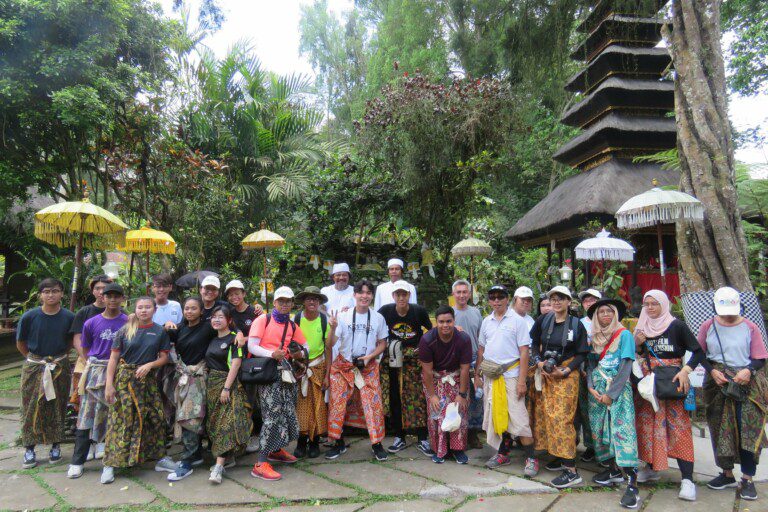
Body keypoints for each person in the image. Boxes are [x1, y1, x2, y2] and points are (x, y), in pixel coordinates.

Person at [633, 289, 704, 501]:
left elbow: (698, 351)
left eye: (654, 304)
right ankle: (651, 467)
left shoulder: (677, 326)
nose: (650, 308)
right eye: (647, 304)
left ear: (664, 304)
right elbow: (637, 353)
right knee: (648, 426)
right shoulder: (641, 327)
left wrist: (686, 370)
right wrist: (638, 342)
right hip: (649, 385)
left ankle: (687, 479)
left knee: (678, 427)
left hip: (673, 382)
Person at [699, 287, 768, 501]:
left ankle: (747, 478)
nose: (727, 314)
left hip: (746, 383)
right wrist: (712, 371)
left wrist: (749, 370)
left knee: (747, 429)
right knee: (719, 427)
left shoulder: (750, 327)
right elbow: (699, 354)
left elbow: (760, 357)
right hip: (717, 383)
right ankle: (726, 473)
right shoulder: (708, 326)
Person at [101, 297, 171, 484]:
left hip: (147, 382)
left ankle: (159, 457)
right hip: (125, 381)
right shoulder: (125, 330)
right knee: (122, 419)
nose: (143, 310)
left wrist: (150, 364)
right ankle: (111, 464)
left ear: (154, 310)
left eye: (148, 307)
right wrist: (109, 384)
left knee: (154, 417)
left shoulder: (159, 331)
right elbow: (114, 359)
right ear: (135, 310)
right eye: (140, 307)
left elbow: (164, 358)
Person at [529, 286, 589, 488]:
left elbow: (582, 353)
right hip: (546, 372)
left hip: (566, 375)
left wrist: (566, 370)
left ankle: (571, 471)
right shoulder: (543, 320)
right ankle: (558, 457)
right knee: (547, 416)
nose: (556, 302)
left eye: (561, 299)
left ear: (569, 302)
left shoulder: (576, 324)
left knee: (562, 419)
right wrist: (538, 362)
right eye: (553, 298)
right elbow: (533, 342)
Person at [67, 283, 128, 478]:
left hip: (118, 374)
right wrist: (94, 365)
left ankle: (109, 462)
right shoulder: (91, 322)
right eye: (108, 295)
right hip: (94, 373)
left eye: (116, 296)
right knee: (86, 416)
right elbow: (85, 350)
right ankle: (78, 461)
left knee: (114, 417)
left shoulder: (128, 322)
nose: (112, 299)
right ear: (102, 297)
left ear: (122, 299)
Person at [475, 285, 537, 477]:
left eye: (500, 297)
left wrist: (521, 381)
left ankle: (531, 458)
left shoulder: (518, 321)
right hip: (491, 376)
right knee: (496, 416)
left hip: (511, 376)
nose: (496, 301)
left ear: (507, 299)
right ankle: (503, 453)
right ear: (488, 301)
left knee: (519, 418)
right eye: (492, 297)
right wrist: (477, 374)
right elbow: (481, 350)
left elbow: (524, 352)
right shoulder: (487, 321)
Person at [247, 286, 307, 481]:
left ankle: (276, 449)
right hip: (268, 373)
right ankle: (260, 462)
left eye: (288, 301)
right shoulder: (262, 320)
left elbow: (304, 347)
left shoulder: (292, 325)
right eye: (281, 301)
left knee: (287, 411)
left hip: (285, 373)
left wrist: (298, 353)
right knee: (272, 415)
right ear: (274, 303)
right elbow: (252, 346)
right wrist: (271, 354)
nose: (285, 304)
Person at [326, 280, 389, 461]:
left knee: (373, 404)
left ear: (372, 296)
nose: (364, 296)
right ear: (354, 295)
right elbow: (330, 344)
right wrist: (332, 328)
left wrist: (370, 357)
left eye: (368, 293)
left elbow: (383, 343)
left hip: (367, 367)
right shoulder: (343, 317)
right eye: (361, 292)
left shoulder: (378, 318)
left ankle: (377, 444)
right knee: (337, 403)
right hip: (343, 366)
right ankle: (338, 442)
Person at [585, 298, 639, 509]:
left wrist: (611, 394)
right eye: (601, 312)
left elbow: (626, 365)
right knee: (599, 432)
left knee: (622, 433)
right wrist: (590, 386)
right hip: (596, 392)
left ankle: (632, 485)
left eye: (609, 311)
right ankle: (612, 469)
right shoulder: (594, 338)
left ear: (615, 314)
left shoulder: (624, 335)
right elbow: (590, 364)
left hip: (617, 392)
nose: (605, 315)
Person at [16, 278, 75, 469]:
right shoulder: (30, 316)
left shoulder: (68, 317)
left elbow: (70, 342)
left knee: (58, 404)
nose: (51, 295)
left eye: (55, 291)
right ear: (40, 294)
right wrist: (35, 360)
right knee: (30, 406)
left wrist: (58, 358)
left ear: (62, 294)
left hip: (59, 364)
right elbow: (21, 343)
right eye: (47, 291)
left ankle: (56, 446)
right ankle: (29, 448)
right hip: (34, 365)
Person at [164, 296, 218, 481]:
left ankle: (189, 459)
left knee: (194, 416)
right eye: (186, 308)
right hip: (184, 377)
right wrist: (166, 326)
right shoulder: (179, 329)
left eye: (194, 308)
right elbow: (165, 341)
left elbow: (229, 331)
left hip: (203, 376)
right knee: (187, 416)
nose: (189, 311)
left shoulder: (209, 327)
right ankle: (192, 455)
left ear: (201, 311)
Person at [378, 281, 433, 454]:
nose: (401, 298)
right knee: (395, 397)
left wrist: (422, 348)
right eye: (398, 294)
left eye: (404, 294)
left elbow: (431, 331)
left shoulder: (418, 311)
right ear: (393, 296)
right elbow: (375, 328)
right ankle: (399, 436)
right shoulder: (386, 311)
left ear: (409, 295)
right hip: (393, 359)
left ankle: (422, 437)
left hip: (414, 361)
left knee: (418, 398)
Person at [419, 306, 472, 463]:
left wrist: (462, 395)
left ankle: (457, 449)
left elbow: (465, 368)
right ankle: (439, 449)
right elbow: (427, 371)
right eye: (441, 322)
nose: (445, 325)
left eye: (449, 321)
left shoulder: (463, 339)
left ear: (454, 321)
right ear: (436, 322)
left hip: (457, 377)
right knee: (438, 414)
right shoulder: (427, 339)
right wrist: (432, 395)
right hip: (435, 380)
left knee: (458, 412)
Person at [206, 306, 251, 484]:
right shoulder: (211, 339)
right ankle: (228, 458)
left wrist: (226, 388)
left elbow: (236, 364)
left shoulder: (235, 340)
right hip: (211, 387)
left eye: (220, 317)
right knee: (215, 426)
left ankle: (218, 468)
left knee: (225, 425)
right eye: (214, 317)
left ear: (229, 320)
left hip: (227, 386)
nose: (216, 320)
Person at [224, 279, 263, 454]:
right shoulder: (228, 313)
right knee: (237, 399)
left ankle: (255, 434)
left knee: (252, 399)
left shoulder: (254, 312)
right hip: (232, 362)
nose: (234, 297)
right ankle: (240, 434)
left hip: (251, 362)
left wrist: (244, 338)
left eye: (237, 293)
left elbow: (262, 334)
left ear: (244, 293)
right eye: (231, 294)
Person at [292, 286, 331, 459]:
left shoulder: (324, 320)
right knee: (301, 406)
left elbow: (328, 348)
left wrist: (328, 374)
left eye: (315, 299)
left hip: (318, 366)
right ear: (304, 302)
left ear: (320, 302)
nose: (312, 302)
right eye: (309, 299)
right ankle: (301, 441)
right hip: (300, 367)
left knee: (317, 405)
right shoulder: (297, 319)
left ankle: (314, 441)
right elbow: (291, 343)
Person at [69, 275, 113, 414]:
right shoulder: (85, 312)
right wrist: (86, 357)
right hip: (87, 359)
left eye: (104, 288)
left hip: (112, 360)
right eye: (97, 288)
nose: (101, 292)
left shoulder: (120, 313)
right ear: (92, 291)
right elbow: (77, 337)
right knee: (84, 396)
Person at [451, 279, 484, 449]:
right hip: (455, 361)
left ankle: (473, 434)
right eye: (459, 292)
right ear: (453, 294)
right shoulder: (449, 314)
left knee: (476, 399)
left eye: (465, 292)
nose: (462, 295)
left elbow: (480, 338)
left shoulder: (476, 312)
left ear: (469, 294)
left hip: (474, 358)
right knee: (458, 398)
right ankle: (458, 434)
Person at [576, 288, 601, 463]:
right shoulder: (580, 323)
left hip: (604, 369)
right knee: (585, 410)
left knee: (602, 409)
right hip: (584, 369)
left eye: (593, 300)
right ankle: (590, 446)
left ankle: (604, 448)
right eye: (586, 301)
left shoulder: (608, 319)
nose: (589, 303)